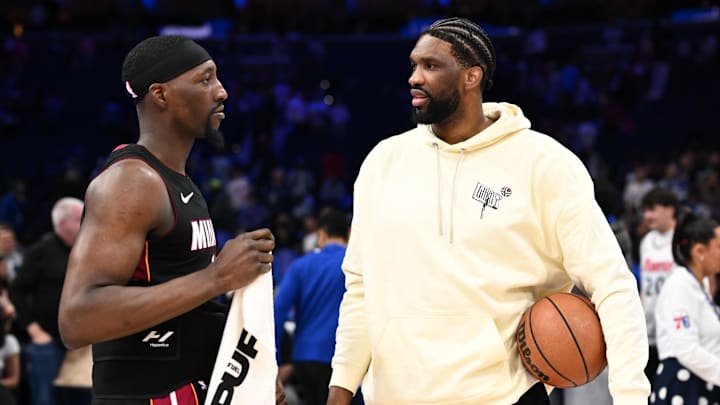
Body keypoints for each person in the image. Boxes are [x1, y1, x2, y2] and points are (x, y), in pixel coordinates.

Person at [327, 17, 649, 405]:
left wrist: (631, 395)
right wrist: (341, 388)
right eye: (413, 65)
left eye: (431, 66)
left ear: (471, 77)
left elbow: (612, 284)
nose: (415, 77)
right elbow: (360, 288)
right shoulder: (382, 163)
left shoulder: (544, 164)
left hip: (505, 396)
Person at [57, 35, 286, 405]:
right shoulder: (131, 181)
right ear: (161, 95)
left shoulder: (178, 181)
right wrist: (217, 278)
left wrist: (242, 370)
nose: (222, 92)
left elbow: (187, 312)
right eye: (205, 79)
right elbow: (77, 318)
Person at [273, 208, 354, 405]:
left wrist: (274, 361)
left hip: (304, 357)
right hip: (344, 358)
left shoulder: (300, 266)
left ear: (321, 235)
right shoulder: (355, 265)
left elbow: (278, 312)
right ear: (349, 233)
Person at [9, 197, 84, 405]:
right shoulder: (41, 251)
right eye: (80, 219)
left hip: (81, 342)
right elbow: (16, 290)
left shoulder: (87, 250)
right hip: (48, 340)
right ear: (63, 223)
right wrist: (33, 329)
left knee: (84, 399)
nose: (85, 224)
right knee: (45, 399)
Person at [652, 210, 720, 403]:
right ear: (699, 251)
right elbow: (685, 348)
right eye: (719, 246)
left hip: (702, 383)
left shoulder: (700, 285)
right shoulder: (679, 285)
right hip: (683, 386)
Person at [638, 186, 679, 388]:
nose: (647, 215)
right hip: (649, 326)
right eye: (645, 210)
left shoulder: (683, 238)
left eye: (652, 209)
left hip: (674, 328)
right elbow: (644, 285)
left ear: (670, 209)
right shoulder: (646, 241)